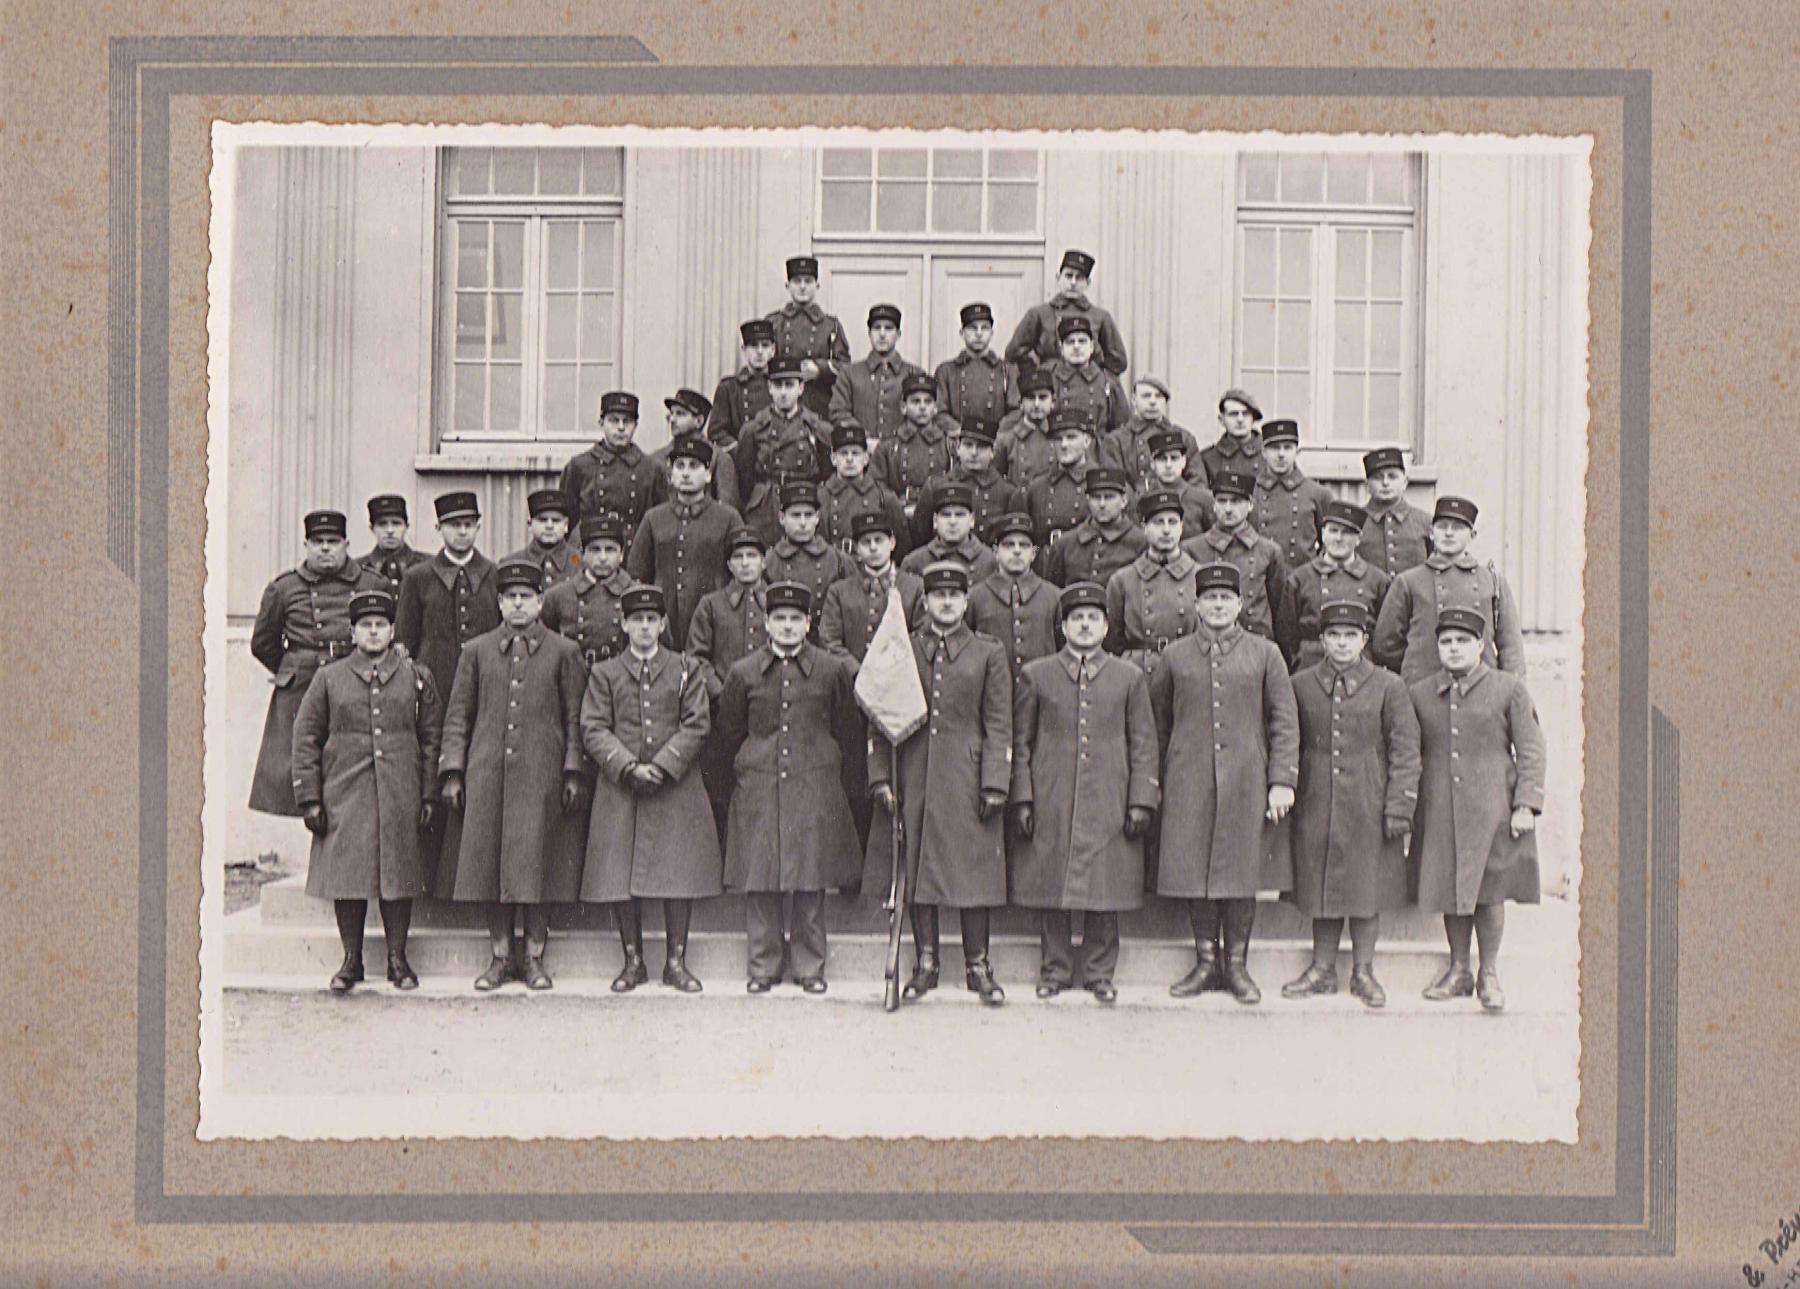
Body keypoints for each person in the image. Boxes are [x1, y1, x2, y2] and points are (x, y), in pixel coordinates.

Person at [1150, 563, 1300, 1006]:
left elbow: (1284, 722)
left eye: (1226, 598)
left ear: (1239, 604)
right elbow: (1157, 724)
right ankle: (1205, 962)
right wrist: (1157, 781)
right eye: (1210, 598)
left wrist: (1281, 781)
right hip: (1189, 778)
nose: (1218, 605)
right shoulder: (1175, 656)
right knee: (1195, 869)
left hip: (1246, 778)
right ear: (1196, 605)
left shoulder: (1266, 654)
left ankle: (1236, 965)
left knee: (1241, 870)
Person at [436, 559, 588, 992]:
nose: (519, 604)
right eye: (511, 598)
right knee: (491, 865)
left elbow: (575, 717)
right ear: (500, 603)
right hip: (487, 774)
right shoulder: (476, 651)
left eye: (527, 597)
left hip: (542, 775)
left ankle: (534, 956)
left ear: (540, 602)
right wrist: (453, 770)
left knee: (539, 863)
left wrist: (573, 770)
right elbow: (458, 715)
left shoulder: (564, 652)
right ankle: (500, 957)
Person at [866, 562, 1013, 1005]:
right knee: (917, 865)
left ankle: (978, 965)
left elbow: (999, 723)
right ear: (926, 601)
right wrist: (880, 776)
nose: (946, 602)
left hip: (968, 776)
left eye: (954, 595)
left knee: (974, 870)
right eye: (937, 595)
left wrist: (995, 782)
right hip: (915, 772)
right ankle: (926, 963)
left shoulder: (988, 653)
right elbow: (879, 714)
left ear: (966, 601)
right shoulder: (905, 649)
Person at [289, 588, 444, 993]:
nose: (373, 632)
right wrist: (309, 797)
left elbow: (432, 738)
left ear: (392, 630)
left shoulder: (416, 677)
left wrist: (428, 794)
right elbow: (305, 738)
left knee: (399, 873)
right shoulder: (329, 678)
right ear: (353, 632)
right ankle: (351, 960)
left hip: (400, 790)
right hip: (346, 792)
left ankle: (397, 959)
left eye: (380, 625)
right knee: (349, 876)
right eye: (365, 625)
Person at [1010, 581, 1159, 1002]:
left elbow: (1143, 742)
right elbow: (1021, 741)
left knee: (1105, 884)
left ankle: (1098, 972)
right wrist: (1022, 796)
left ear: (1107, 626)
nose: (1085, 626)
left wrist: (1141, 799)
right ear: (1063, 626)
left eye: (1094, 618)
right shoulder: (1037, 675)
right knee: (1051, 881)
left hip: (1109, 793)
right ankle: (1055, 969)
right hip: (1053, 793)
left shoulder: (1129, 678)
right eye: (1077, 619)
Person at [714, 582, 865, 995]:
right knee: (760, 877)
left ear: (808, 623)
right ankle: (763, 965)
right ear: (766, 623)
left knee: (809, 876)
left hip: (813, 784)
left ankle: (809, 965)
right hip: (759, 784)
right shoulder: (743, 672)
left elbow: (847, 730)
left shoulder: (831, 670)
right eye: (779, 618)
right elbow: (729, 732)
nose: (787, 626)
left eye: (795, 619)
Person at [580, 584, 722, 995]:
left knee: (679, 872)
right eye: (636, 620)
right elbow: (593, 726)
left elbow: (697, 723)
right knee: (621, 872)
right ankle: (633, 961)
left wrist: (662, 766)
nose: (644, 627)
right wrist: (627, 766)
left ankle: (676, 962)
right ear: (624, 625)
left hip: (675, 784)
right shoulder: (604, 673)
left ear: (662, 625)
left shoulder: (685, 669)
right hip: (621, 786)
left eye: (651, 620)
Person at [1281, 601, 1422, 1009]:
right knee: (1320, 882)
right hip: (1317, 799)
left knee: (1366, 885)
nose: (1342, 643)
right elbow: (1288, 740)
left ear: (1364, 640)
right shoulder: (1301, 685)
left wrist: (1399, 806)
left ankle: (1363, 971)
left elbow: (1406, 750)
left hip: (1368, 799)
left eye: (1350, 636)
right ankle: (1322, 969)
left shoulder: (1388, 686)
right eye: (1334, 635)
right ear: (1322, 640)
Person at [1409, 607, 1547, 1013]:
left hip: (1493, 808)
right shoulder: (1421, 693)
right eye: (1446, 642)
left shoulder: (1509, 689)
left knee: (1490, 890)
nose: (1454, 649)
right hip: (1440, 807)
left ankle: (1488, 973)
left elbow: (1532, 748)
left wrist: (1526, 804)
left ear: (1481, 645)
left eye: (1462, 641)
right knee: (1449, 887)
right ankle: (1458, 970)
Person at [249, 508, 389, 817]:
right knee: (302, 772)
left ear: (346, 544)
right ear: (306, 545)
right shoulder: (283, 589)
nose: (325, 548)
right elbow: (262, 643)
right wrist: (294, 667)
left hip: (354, 683)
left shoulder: (372, 584)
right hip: (301, 688)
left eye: (333, 541)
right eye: (317, 542)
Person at [1373, 495, 1527, 684]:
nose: (1448, 533)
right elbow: (1385, 644)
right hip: (1423, 685)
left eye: (1458, 528)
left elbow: (1511, 647)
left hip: (1480, 685)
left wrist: (1510, 690)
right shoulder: (1408, 581)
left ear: (1472, 535)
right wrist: (1417, 664)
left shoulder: (1493, 581)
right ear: (1431, 532)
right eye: (1442, 526)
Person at [685, 526, 772, 843]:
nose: (746, 563)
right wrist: (722, 694)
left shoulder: (777, 604)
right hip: (722, 715)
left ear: (764, 561)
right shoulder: (711, 605)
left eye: (752, 556)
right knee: (721, 790)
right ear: (729, 565)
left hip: (767, 714)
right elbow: (696, 656)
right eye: (739, 557)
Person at [626, 436, 743, 650]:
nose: (686, 473)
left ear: (708, 474)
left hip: (713, 625)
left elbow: (741, 575)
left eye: (694, 466)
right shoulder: (654, 518)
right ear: (671, 475)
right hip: (664, 626)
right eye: (680, 466)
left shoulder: (728, 518)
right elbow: (637, 574)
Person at [394, 492, 502, 710]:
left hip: (486, 684)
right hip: (434, 690)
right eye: (454, 525)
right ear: (438, 528)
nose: (462, 531)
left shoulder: (494, 574)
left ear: (478, 528)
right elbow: (405, 642)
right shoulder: (417, 577)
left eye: (468, 524)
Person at [1180, 468, 1292, 654]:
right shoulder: (1192, 549)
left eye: (1236, 501)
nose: (1228, 508)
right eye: (1222, 501)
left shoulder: (1269, 551)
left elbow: (1280, 612)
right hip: (1207, 649)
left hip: (1256, 649)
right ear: (1214, 505)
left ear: (1251, 505)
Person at [732, 355, 834, 546]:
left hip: (803, 505)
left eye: (789, 385)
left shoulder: (818, 429)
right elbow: (744, 479)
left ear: (801, 388)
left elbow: (826, 474)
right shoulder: (753, 430)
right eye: (778, 386)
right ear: (770, 388)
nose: (784, 393)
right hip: (765, 508)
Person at [1286, 499, 1393, 674]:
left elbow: (1384, 637)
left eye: (1347, 533)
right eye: (1333, 530)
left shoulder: (1378, 581)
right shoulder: (1300, 578)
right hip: (1311, 666)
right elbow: (1287, 635)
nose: (1338, 538)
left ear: (1358, 539)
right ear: (1323, 534)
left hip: (1362, 668)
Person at [1104, 489, 1201, 679]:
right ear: (1144, 527)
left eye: (1172, 522)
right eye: (1158, 522)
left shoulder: (1199, 576)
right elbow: (1112, 642)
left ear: (1181, 527)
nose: (1166, 530)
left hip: (1187, 670)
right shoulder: (1123, 580)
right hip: (1138, 673)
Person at [818, 511, 926, 663]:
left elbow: (922, 637)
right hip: (852, 676)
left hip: (900, 673)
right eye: (866, 542)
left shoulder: (914, 588)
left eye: (879, 540)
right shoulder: (839, 592)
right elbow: (829, 640)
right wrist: (858, 671)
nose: (873, 547)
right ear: (857, 548)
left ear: (892, 543)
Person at [966, 512, 1060, 684]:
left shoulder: (1054, 597)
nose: (1017, 551)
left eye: (1024, 545)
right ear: (995, 552)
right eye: (1009, 545)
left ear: (1033, 553)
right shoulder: (975, 597)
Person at [556, 390, 669, 534]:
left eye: (627, 421)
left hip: (636, 545)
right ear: (601, 423)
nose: (621, 427)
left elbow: (661, 524)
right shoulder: (579, 466)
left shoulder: (652, 469)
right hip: (592, 544)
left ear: (635, 425)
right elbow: (566, 521)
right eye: (614, 420)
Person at [907, 418, 1026, 551]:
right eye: (968, 445)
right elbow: (920, 540)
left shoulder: (1008, 493)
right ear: (958, 448)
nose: (974, 453)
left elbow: (1019, 540)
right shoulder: (935, 487)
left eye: (981, 447)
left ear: (993, 452)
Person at [1005, 248, 1129, 376]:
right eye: (1069, 276)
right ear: (1058, 278)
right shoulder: (1039, 314)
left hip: (1087, 383)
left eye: (1079, 277)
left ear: (1087, 283)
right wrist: (1038, 374)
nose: (1073, 283)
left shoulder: (1101, 317)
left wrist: (1096, 376)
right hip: (1051, 382)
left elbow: (1118, 360)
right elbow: (1014, 352)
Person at [765, 254, 852, 421]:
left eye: (808, 281)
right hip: (781, 406)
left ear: (817, 286)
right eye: (797, 281)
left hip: (818, 405)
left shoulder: (830, 325)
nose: (803, 287)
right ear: (787, 286)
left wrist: (820, 369)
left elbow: (845, 368)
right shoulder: (774, 323)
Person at [763, 480, 854, 637]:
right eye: (795, 515)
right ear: (782, 518)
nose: (803, 523)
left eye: (808, 515)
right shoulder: (769, 562)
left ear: (817, 517)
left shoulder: (838, 560)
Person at [539, 515, 633, 669]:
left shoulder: (634, 594)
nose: (602, 557)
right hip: (573, 677)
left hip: (620, 679)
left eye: (610, 550)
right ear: (582, 554)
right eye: (595, 550)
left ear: (621, 555)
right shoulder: (558, 596)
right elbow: (545, 648)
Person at [828, 302, 925, 443]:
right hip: (860, 449)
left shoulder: (914, 374)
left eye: (889, 328)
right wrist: (863, 439)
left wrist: (894, 443)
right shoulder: (850, 374)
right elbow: (838, 413)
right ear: (869, 333)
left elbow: (923, 416)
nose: (882, 334)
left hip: (903, 450)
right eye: (876, 328)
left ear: (898, 334)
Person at [819, 421, 910, 561]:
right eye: (843, 453)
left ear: (866, 458)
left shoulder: (883, 497)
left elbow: (902, 547)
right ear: (833, 459)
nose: (849, 459)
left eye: (855, 453)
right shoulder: (821, 497)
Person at [1250, 419, 1333, 573]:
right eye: (1274, 448)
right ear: (1263, 452)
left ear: (1297, 451)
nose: (1281, 454)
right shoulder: (1250, 492)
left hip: (1302, 578)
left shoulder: (1318, 493)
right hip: (1260, 578)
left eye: (1287, 447)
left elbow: (1329, 545)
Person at [1044, 466, 1147, 589]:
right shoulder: (1064, 545)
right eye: (1096, 497)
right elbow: (1052, 593)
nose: (1102, 504)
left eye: (1109, 497)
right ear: (1088, 500)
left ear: (1124, 501)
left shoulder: (1141, 543)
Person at [869, 371, 957, 514]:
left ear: (935, 408)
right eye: (915, 401)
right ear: (903, 407)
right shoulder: (888, 447)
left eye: (928, 401)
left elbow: (955, 484)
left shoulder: (948, 446)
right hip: (897, 513)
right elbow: (877, 486)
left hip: (938, 514)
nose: (922, 407)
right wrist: (898, 507)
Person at [1103, 375, 1204, 491]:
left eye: (1158, 396)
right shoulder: (1116, 441)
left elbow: (1197, 483)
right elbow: (1115, 484)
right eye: (1146, 396)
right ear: (1134, 400)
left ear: (1166, 402)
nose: (1152, 401)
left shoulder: (1184, 438)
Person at [1023, 409, 1098, 555]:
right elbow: (1028, 538)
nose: (1064, 444)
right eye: (1058, 438)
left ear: (1087, 441)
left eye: (1071, 437)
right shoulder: (1037, 487)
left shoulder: (1100, 485)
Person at [654, 388, 741, 512]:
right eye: (671, 413)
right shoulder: (658, 459)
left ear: (699, 421)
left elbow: (727, 511)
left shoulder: (719, 459)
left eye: (680, 414)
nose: (672, 419)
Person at [934, 301, 1017, 426]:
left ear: (991, 333)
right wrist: (959, 432)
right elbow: (939, 411)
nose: (979, 333)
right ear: (962, 333)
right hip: (958, 436)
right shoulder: (946, 371)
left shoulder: (1007, 370)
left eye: (984, 328)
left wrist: (999, 433)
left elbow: (1015, 411)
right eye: (972, 328)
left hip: (996, 436)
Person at [1046, 315, 1130, 437]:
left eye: (1082, 341)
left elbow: (1122, 428)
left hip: (1098, 446)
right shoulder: (1049, 379)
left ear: (1091, 347)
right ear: (1061, 348)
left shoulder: (1107, 381)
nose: (1076, 347)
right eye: (1070, 342)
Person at [900, 481, 1000, 583]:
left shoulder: (990, 561)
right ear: (935, 521)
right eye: (946, 515)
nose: (952, 522)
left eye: (959, 515)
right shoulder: (914, 563)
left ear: (972, 520)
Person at [1357, 445, 1433, 576]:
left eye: (1392, 477)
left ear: (1405, 482)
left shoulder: (1425, 522)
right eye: (1378, 477)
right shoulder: (1355, 521)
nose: (1385, 483)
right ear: (1367, 484)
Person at [705, 318, 777, 454]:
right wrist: (740, 450)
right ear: (744, 350)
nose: (759, 351)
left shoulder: (780, 386)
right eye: (753, 345)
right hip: (740, 458)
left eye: (765, 345)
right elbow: (716, 431)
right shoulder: (729, 388)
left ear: (773, 350)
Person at [502, 488, 583, 594]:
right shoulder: (512, 562)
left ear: (566, 525)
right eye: (542, 520)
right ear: (530, 525)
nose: (549, 526)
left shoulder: (580, 561)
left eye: (556, 520)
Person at [993, 367, 1060, 488]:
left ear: (1053, 402)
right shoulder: (1007, 440)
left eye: (1042, 397)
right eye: (1030, 398)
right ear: (1020, 403)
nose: (1036, 404)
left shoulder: (1059, 438)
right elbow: (996, 480)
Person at [1142, 428, 1216, 535]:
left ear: (1183, 461)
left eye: (1174, 458)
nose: (1168, 465)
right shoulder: (1144, 499)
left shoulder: (1204, 500)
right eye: (1162, 459)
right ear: (1152, 463)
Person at [355, 493, 427, 595]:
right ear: (372, 528)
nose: (390, 530)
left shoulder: (427, 565)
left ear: (406, 527)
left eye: (396, 523)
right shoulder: (358, 568)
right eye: (382, 524)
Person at [1197, 387, 1266, 487]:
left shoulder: (1269, 455)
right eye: (1233, 414)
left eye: (1245, 414)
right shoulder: (1207, 458)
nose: (1240, 419)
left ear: (1253, 419)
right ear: (1221, 419)